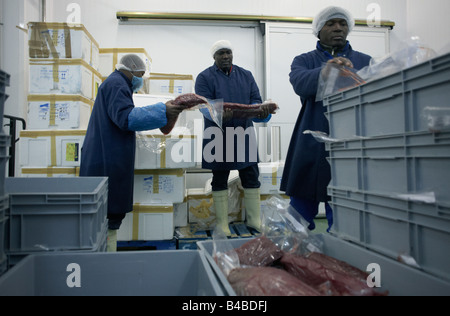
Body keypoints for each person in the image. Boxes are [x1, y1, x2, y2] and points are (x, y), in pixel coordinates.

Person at [280, 6, 372, 231]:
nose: (338, 28)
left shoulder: (366, 61)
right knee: (297, 219)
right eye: (331, 24)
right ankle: (293, 257)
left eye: (342, 23)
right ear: (318, 30)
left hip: (351, 142)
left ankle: (337, 256)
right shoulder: (303, 60)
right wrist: (326, 70)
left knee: (344, 217)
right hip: (310, 140)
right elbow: (300, 83)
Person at [79, 54, 184, 251]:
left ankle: (107, 253)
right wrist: (163, 110)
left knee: (108, 216)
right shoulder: (117, 84)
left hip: (107, 154)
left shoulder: (116, 83)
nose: (141, 80)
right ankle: (107, 257)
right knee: (108, 215)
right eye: (141, 75)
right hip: (107, 159)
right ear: (132, 69)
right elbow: (126, 118)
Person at [195, 40, 272, 236]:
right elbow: (204, 106)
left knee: (250, 175)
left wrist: (260, 111)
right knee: (219, 177)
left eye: (228, 52)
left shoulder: (246, 75)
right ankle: (222, 224)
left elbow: (255, 99)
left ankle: (254, 220)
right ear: (214, 57)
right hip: (217, 134)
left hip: (244, 132)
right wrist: (218, 113)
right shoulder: (204, 77)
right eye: (221, 53)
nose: (225, 56)